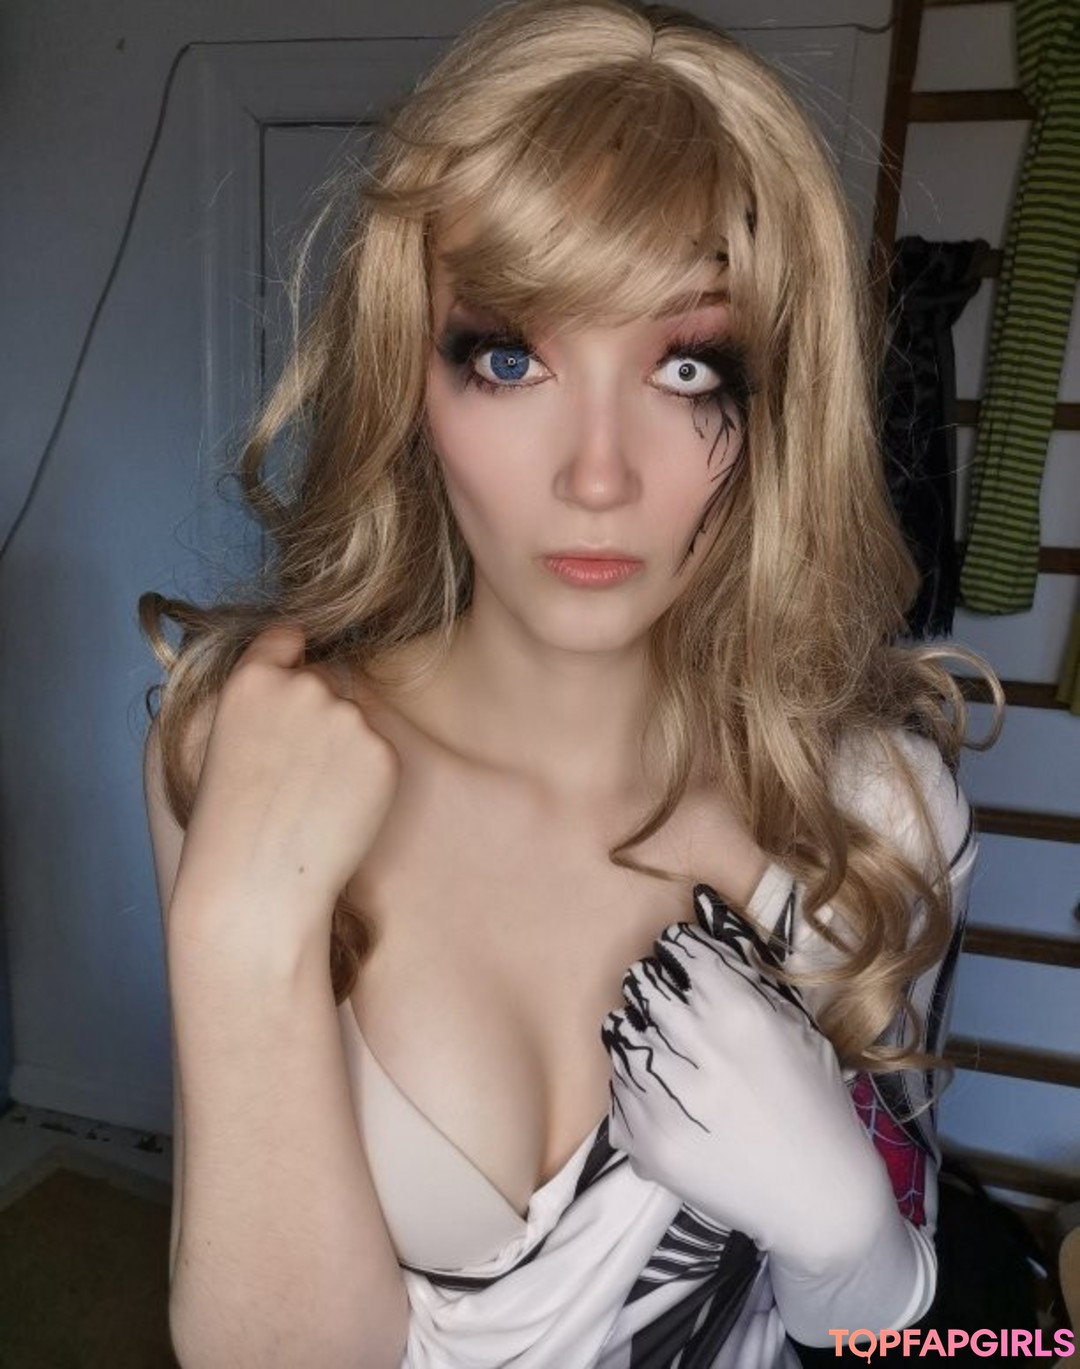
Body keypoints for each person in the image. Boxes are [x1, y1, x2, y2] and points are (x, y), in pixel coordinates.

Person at [138, 1, 1005, 1364]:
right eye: (509, 356)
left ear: (775, 400)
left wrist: (854, 1245)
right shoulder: (249, 753)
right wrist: (240, 943)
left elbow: (901, 1343)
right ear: (408, 373)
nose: (597, 476)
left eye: (686, 365)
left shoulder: (879, 811)